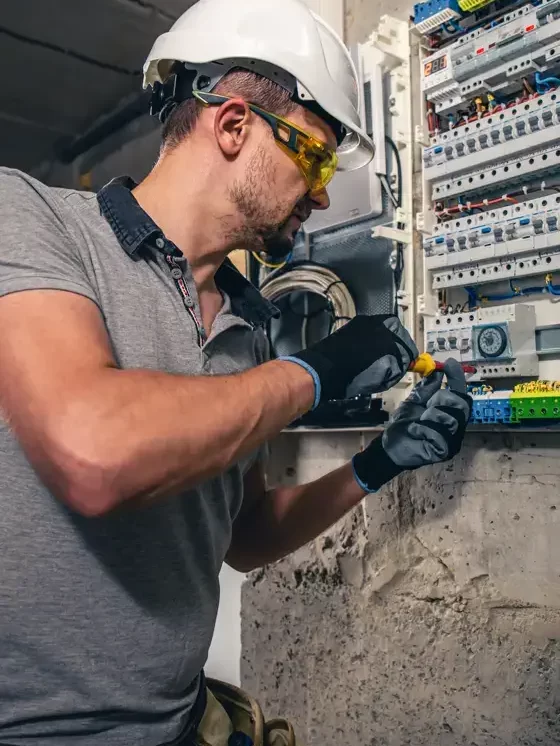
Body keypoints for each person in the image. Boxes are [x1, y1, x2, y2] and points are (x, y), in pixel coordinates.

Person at [0, 0, 471, 743]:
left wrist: (379, 463)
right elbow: (92, 452)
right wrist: (312, 376)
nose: (320, 195)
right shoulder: (32, 220)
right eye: (314, 157)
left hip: (182, 722)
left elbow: (241, 537)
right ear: (233, 125)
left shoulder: (247, 333)